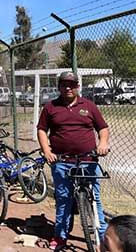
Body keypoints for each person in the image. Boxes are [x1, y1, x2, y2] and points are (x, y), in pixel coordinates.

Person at [37, 71, 110, 250]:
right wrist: (46, 150)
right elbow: (41, 130)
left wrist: (103, 143)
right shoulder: (50, 107)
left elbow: (103, 128)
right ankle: (60, 236)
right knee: (63, 199)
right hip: (62, 162)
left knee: (95, 199)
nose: (68, 88)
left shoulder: (89, 106)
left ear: (77, 86)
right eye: (64, 84)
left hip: (88, 161)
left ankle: (104, 239)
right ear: (59, 87)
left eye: (72, 84)